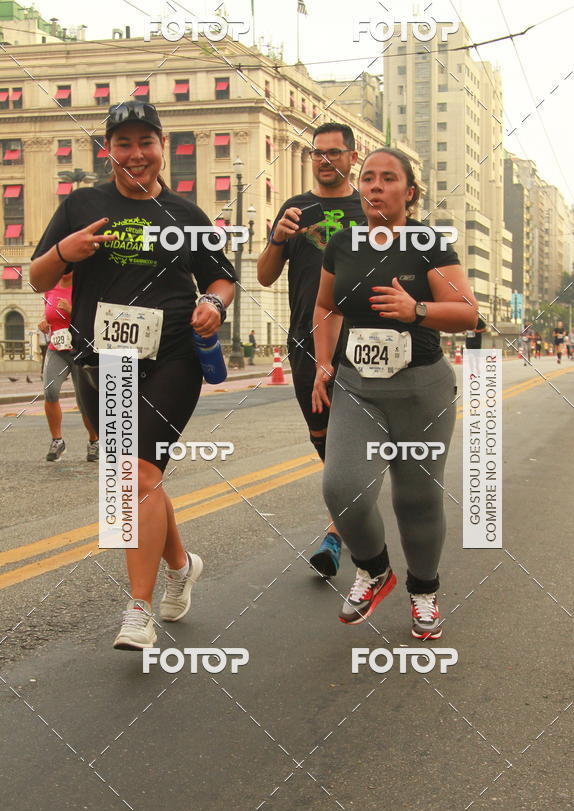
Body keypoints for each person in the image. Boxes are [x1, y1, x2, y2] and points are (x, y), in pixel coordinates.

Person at [29, 101, 236, 651]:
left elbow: (222, 280)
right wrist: (65, 251)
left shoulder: (187, 216)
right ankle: (181, 564)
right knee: (143, 479)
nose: (136, 154)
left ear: (162, 146)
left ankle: (138, 609)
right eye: (124, 144)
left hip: (172, 356)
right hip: (105, 361)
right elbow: (35, 276)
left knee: (136, 476)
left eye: (146, 142)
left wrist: (213, 305)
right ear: (109, 150)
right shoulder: (82, 205)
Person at [312, 147, 477, 639]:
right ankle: (374, 568)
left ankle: (424, 592)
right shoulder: (341, 244)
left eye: (388, 179)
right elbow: (326, 307)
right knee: (341, 487)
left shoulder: (427, 242)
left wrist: (417, 310)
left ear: (410, 192)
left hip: (421, 388)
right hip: (356, 386)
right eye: (368, 178)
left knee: (416, 499)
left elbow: (468, 313)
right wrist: (324, 361)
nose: (375, 186)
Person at [257, 122, 365, 578]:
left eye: (334, 153)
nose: (324, 161)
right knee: (322, 437)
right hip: (304, 339)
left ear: (352, 157)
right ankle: (350, 512)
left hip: (361, 341)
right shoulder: (296, 208)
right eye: (318, 153)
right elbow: (264, 276)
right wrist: (279, 236)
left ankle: (337, 533)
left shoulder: (370, 206)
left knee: (353, 442)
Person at [38, 271, 100, 461]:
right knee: (50, 392)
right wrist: (44, 322)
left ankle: (93, 441)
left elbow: (95, 317)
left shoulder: (85, 284)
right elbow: (47, 314)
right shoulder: (51, 286)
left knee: (84, 402)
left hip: (80, 349)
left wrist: (72, 310)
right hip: (56, 348)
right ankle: (57, 441)